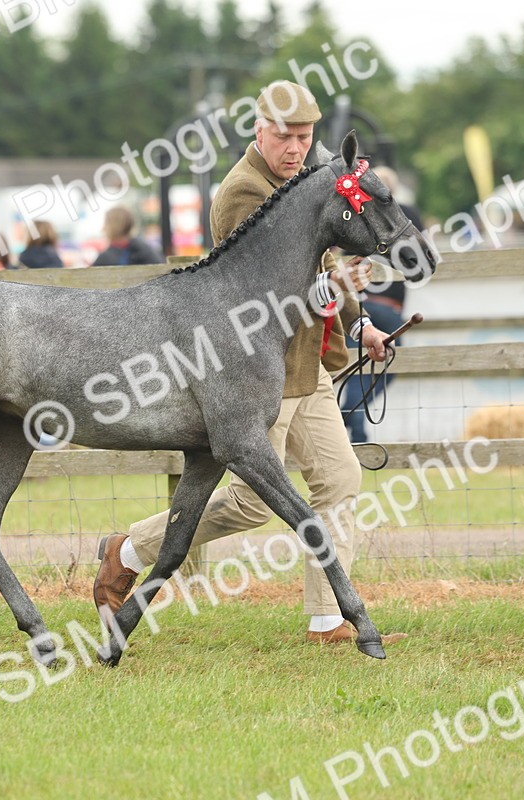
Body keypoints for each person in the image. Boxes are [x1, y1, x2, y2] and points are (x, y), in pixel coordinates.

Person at [93, 80, 404, 644]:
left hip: (308, 370)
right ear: (260, 130)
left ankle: (326, 619)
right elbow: (263, 298)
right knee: (251, 504)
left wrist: (360, 325)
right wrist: (332, 293)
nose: (295, 148)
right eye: (284, 136)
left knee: (340, 478)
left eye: (304, 137)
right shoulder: (241, 192)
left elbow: (325, 264)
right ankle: (130, 549)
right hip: (257, 375)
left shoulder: (309, 181)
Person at [339, 166, 421, 442]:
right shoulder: (407, 214)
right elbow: (420, 251)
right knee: (387, 366)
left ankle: (351, 418)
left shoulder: (352, 214)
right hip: (388, 306)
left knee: (355, 368)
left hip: (357, 305)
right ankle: (353, 418)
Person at [91, 207, 163, 266]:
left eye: (106, 223)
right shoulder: (146, 250)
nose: (103, 229)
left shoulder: (105, 258)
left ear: (114, 226)